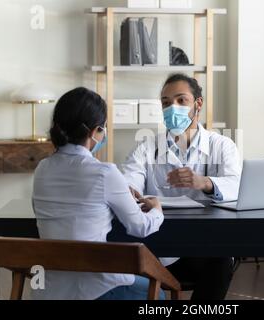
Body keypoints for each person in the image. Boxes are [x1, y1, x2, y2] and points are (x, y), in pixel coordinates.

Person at [32, 87, 165, 300]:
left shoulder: (42, 169)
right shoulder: (105, 173)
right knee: (159, 295)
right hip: (93, 288)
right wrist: (157, 209)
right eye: (103, 128)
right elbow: (140, 227)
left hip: (48, 289)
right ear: (94, 132)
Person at [123, 74, 242, 300]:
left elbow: (237, 184)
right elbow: (130, 182)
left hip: (205, 245)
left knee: (222, 257)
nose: (172, 108)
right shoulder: (147, 148)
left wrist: (204, 182)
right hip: (158, 248)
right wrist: (129, 191)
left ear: (198, 103)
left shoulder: (222, 145)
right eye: (166, 103)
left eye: (181, 101)